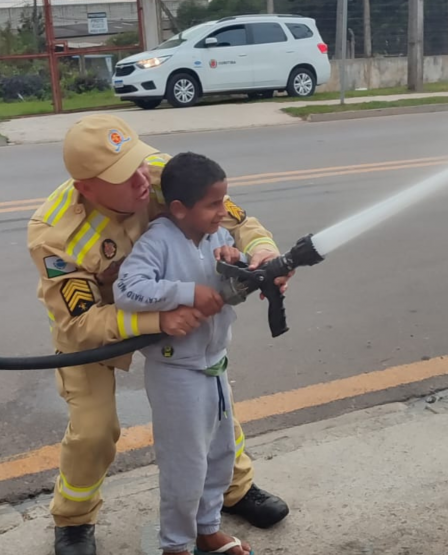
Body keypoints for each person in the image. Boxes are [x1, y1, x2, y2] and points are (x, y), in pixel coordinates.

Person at [27, 114, 291, 555]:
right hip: (100, 331)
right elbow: (80, 321)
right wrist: (156, 321)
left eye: (136, 161)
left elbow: (234, 219)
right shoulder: (55, 233)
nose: (140, 179)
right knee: (94, 430)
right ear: (85, 188)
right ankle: (74, 517)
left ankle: (235, 489)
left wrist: (262, 253)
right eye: (121, 176)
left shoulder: (156, 173)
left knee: (212, 402)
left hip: (178, 320)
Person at [114, 152, 253, 555]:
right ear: (179, 208)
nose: (222, 211)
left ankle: (208, 530)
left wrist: (236, 260)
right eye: (213, 204)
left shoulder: (217, 237)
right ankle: (176, 544)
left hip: (214, 365)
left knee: (220, 455)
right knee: (185, 467)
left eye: (224, 200)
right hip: (176, 372)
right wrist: (186, 293)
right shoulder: (158, 241)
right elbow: (128, 290)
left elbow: (232, 268)